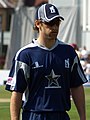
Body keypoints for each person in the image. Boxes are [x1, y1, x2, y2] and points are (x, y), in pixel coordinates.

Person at [5, 3, 87, 120]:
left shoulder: (68, 52)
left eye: (57, 23)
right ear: (38, 24)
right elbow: (17, 92)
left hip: (61, 115)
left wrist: (83, 118)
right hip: (33, 115)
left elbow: (77, 86)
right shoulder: (25, 55)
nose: (54, 27)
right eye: (49, 23)